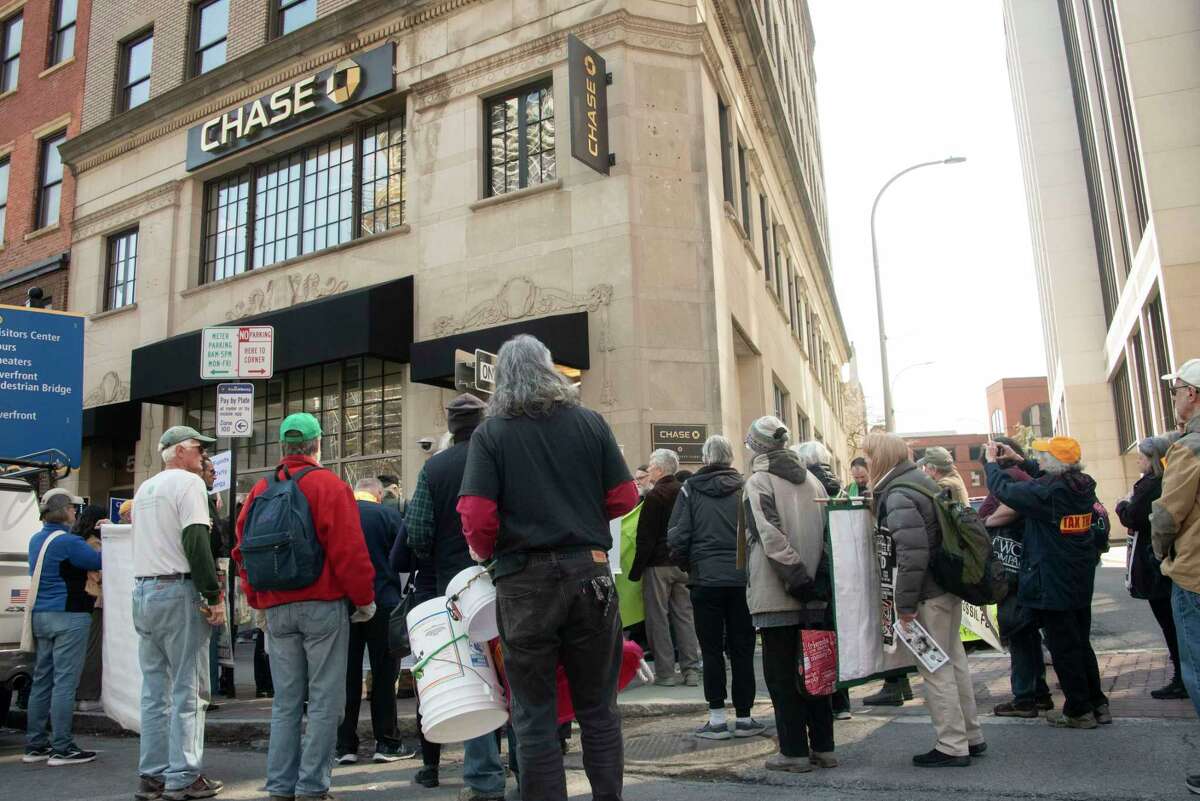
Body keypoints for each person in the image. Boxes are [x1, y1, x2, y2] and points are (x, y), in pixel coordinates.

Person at [458, 334, 639, 801]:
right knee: (599, 709)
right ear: (549, 368)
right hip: (590, 573)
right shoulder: (590, 423)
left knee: (534, 713)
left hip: (524, 581)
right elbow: (624, 497)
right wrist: (580, 513)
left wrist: (485, 552)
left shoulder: (491, 433)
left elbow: (477, 513)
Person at [234, 413, 376, 801]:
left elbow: (242, 551)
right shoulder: (330, 486)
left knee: (286, 702)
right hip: (323, 604)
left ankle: (280, 786)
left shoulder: (260, 489)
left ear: (282, 448)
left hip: (277, 607)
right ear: (317, 446)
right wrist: (364, 600)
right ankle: (313, 785)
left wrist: (256, 600)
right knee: (326, 700)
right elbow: (349, 551)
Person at [405, 393, 507, 800]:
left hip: (458, 588)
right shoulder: (502, 456)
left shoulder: (435, 467)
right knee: (516, 674)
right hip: (507, 579)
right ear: (484, 422)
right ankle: (525, 764)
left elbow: (416, 533)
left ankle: (484, 781)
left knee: (476, 677)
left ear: (450, 427)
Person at [865, 431, 985, 767]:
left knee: (935, 668)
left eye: (869, 456)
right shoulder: (922, 482)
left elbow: (911, 556)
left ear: (880, 459)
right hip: (947, 589)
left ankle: (951, 745)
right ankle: (971, 736)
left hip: (927, 596)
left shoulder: (899, 494)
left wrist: (903, 607)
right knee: (955, 663)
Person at [984, 436, 1108, 730]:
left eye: (1042, 456)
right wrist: (1018, 459)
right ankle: (1098, 703)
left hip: (1051, 580)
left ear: (1053, 463)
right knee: (1080, 643)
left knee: (1064, 648)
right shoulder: (1081, 485)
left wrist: (991, 465)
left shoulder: (1047, 493)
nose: (1038, 460)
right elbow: (1043, 479)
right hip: (1078, 577)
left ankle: (1078, 711)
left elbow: (1007, 491)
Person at [132, 427, 225, 800]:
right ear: (181, 452)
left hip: (144, 590)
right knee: (189, 689)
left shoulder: (144, 490)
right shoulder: (188, 485)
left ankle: (152, 773)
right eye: (200, 449)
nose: (203, 456)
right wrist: (213, 595)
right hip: (176, 588)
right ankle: (184, 774)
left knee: (155, 691)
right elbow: (195, 541)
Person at [742, 417, 835, 772]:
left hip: (778, 591)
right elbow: (827, 537)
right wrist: (814, 584)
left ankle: (794, 752)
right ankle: (824, 747)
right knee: (816, 671)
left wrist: (796, 579)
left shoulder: (759, 481)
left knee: (781, 677)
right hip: (812, 593)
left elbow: (770, 535)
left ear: (758, 446)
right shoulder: (812, 479)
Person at [666, 435, 761, 739]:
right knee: (742, 649)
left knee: (710, 650)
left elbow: (678, 535)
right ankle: (745, 718)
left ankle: (717, 718)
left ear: (706, 457)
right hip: (741, 580)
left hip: (705, 580)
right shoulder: (745, 486)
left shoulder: (690, 488)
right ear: (731, 457)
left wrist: (689, 565)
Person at [336, 477, 415, 765]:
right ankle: (387, 742)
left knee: (347, 674)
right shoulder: (388, 515)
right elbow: (406, 556)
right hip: (384, 602)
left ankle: (345, 744)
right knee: (384, 675)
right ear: (378, 495)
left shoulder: (339, 514)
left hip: (344, 604)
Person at [22, 489, 103, 766]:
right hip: (69, 615)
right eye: (72, 507)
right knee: (65, 682)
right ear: (65, 510)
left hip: (41, 615)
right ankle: (62, 747)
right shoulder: (69, 542)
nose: (74, 512)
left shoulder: (36, 540)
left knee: (42, 679)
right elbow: (100, 561)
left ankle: (35, 745)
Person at [1151, 358, 1200, 794]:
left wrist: (1161, 552)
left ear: (1193, 394)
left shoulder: (1190, 447)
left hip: (1195, 574)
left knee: (1198, 670)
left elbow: (1167, 514)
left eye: (1176, 389)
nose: (1175, 398)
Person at [979, 438, 1053, 718]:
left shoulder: (1013, 476)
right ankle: (1037, 693)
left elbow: (1014, 505)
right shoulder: (1020, 474)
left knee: (1019, 631)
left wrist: (985, 522)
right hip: (1020, 566)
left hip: (1013, 566)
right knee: (1025, 632)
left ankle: (1025, 697)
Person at [1118, 436, 1183, 699]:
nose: (1138, 460)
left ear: (1153, 458)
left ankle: (1181, 676)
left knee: (1171, 623)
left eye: (1143, 456)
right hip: (1163, 559)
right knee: (1175, 623)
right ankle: (1182, 673)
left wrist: (1123, 503)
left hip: (1156, 562)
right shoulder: (1165, 482)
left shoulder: (1151, 486)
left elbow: (1133, 516)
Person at [791, 441, 852, 720]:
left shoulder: (807, 488)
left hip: (817, 571)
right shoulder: (840, 488)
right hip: (840, 572)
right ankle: (842, 702)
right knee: (836, 637)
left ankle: (822, 700)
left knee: (816, 639)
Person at [629, 448, 700, 687]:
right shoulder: (685, 492)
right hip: (682, 564)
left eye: (650, 467)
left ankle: (666, 673)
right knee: (684, 617)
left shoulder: (654, 496)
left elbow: (645, 537)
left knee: (658, 618)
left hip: (658, 564)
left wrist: (636, 570)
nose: (648, 471)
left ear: (659, 469)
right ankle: (691, 670)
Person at [72, 504, 107, 710]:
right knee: (93, 649)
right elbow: (99, 572)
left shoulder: (80, 540)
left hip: (86, 601)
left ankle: (83, 693)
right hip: (97, 600)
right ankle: (88, 695)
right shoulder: (95, 543)